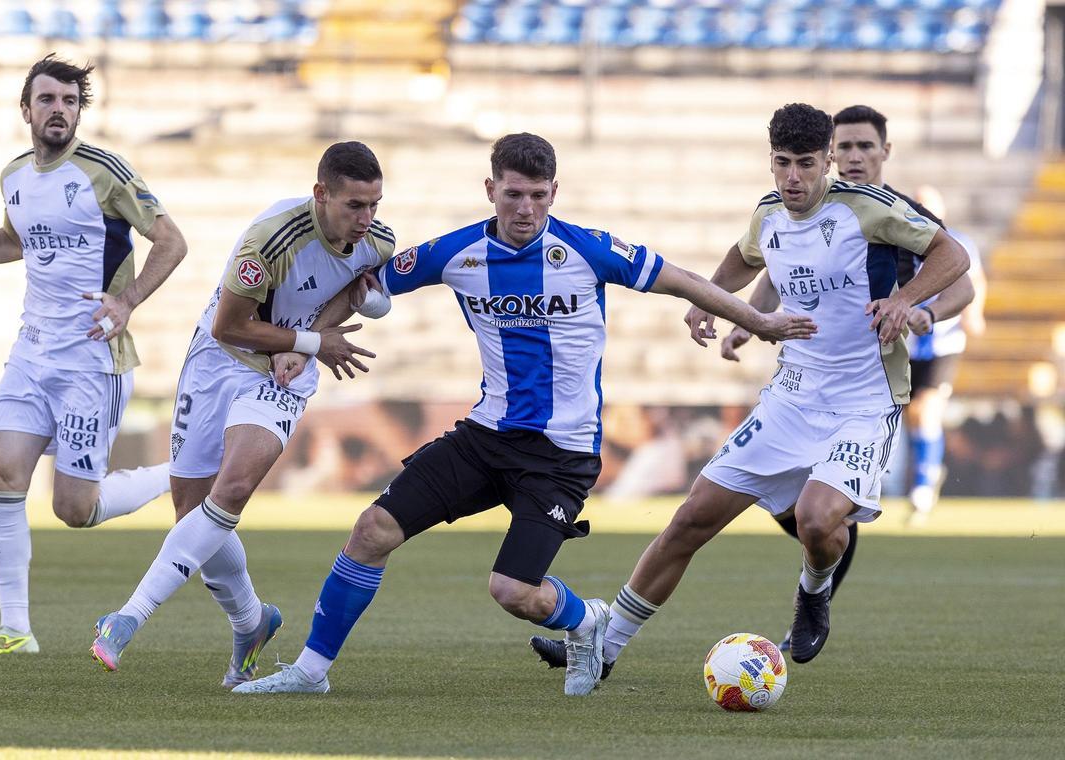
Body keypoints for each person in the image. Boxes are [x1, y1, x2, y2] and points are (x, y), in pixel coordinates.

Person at [229, 132, 816, 698]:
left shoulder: (587, 249)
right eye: (513, 194)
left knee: (511, 590)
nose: (526, 208)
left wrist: (757, 320)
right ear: (491, 190)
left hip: (562, 456)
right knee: (370, 530)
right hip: (485, 437)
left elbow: (681, 279)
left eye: (538, 196)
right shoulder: (456, 252)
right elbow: (367, 282)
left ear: (554, 193)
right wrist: (305, 338)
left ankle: (586, 620)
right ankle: (311, 670)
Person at [532, 103, 969, 680]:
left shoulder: (872, 210)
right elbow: (745, 258)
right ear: (771, 162)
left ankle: (813, 592)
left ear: (828, 161)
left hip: (864, 401)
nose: (793, 178)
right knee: (692, 518)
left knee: (817, 521)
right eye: (783, 164)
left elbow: (953, 256)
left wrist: (907, 301)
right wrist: (709, 301)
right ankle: (604, 648)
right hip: (791, 396)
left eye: (806, 164)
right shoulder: (769, 215)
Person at [0, 55, 187, 655]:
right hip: (31, 354)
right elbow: (14, 240)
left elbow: (171, 240)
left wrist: (128, 301)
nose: (58, 110)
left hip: (92, 361)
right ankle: (16, 629)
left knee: (74, 509)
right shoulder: (13, 176)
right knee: (2, 471)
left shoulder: (104, 171)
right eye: (47, 100)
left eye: (69, 101)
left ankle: (175, 474)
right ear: (27, 110)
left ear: (78, 110)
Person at [89, 141, 392, 686]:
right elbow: (231, 326)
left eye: (374, 204)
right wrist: (309, 339)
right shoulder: (270, 239)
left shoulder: (378, 240)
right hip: (219, 359)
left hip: (283, 376)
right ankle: (251, 622)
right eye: (354, 206)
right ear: (321, 195)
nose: (366, 220)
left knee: (230, 490)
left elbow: (356, 287)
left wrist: (305, 347)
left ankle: (128, 616)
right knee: (192, 510)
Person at [905, 185, 987, 519]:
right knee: (913, 414)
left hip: (945, 339)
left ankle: (923, 484)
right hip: (909, 343)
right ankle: (926, 471)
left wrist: (974, 313)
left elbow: (976, 281)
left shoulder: (959, 243)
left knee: (927, 409)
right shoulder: (901, 245)